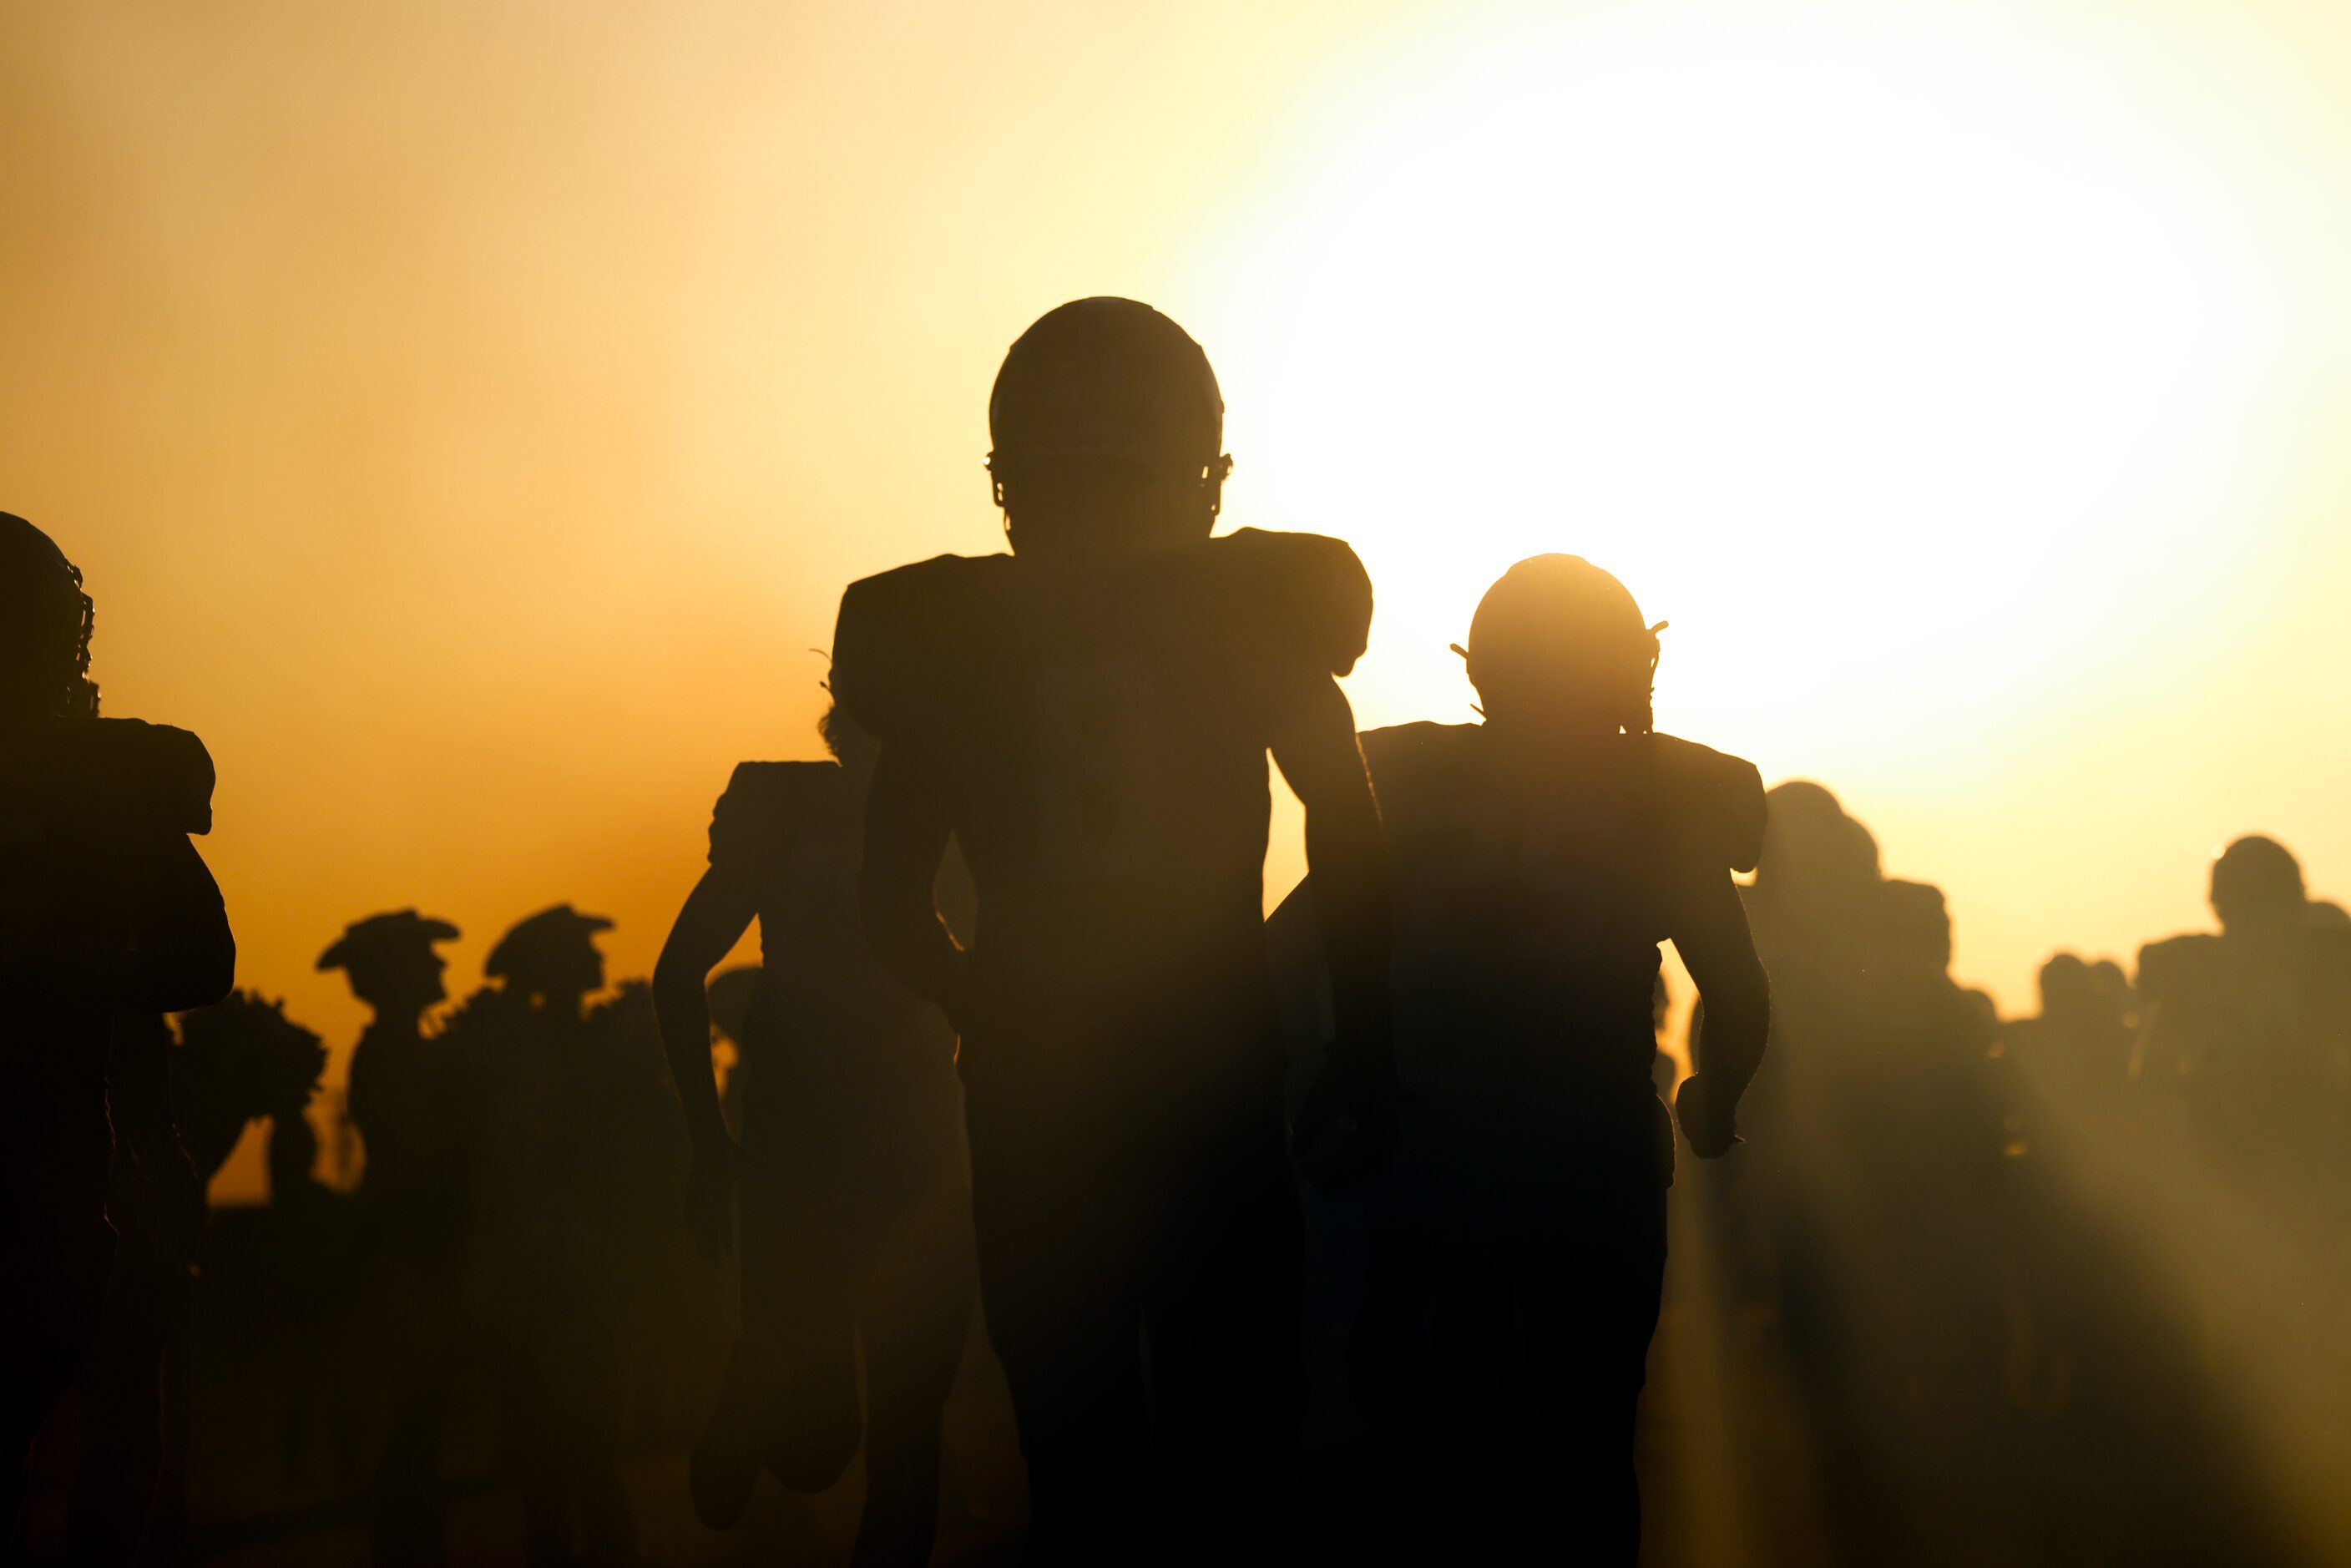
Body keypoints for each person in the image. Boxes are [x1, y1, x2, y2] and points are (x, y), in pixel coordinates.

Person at [832, 297, 1395, 1562]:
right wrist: (1364, 1031)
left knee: (1073, 1447)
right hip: (1211, 1066)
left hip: (1035, 1083)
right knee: (1233, 1445)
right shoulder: (1248, 614)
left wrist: (985, 1002)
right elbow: (1347, 826)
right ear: (1197, 468)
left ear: (1010, 474)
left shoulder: (956, 647)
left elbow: (889, 897)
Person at [1273, 554, 1768, 1564]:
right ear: (1627, 669)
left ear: (1482, 670)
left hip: (1427, 1141)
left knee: (1431, 1422)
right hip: (1587, 1150)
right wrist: (1715, 1097)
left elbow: (1290, 950)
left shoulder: (1399, 784)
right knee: (1590, 1438)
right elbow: (1740, 987)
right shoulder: (1663, 795)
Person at [653, 699, 977, 1566]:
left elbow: (678, 970)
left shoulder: (797, 820)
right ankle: (760, 1385)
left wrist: (709, 1140)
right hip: (881, 1132)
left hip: (821, 1133)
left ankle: (758, 1379)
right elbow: (678, 971)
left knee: (862, 1435)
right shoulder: (941, 816)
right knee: (866, 1439)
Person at [0, 513, 235, 1539]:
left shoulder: (98, 781)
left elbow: (195, 962)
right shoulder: (98, 779)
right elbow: (197, 962)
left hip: (52, 1164)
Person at [453, 903, 642, 1567]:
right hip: (553, 1264)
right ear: (554, 967)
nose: (598, 957)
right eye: (582, 948)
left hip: (558, 1260)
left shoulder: (562, 1043)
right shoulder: (557, 1051)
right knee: (569, 1431)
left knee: (568, 1433)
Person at [318, 909, 468, 1564]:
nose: (439, 968)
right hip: (414, 1243)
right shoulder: (397, 1055)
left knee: (423, 1416)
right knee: (415, 1413)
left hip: (413, 1239)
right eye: (425, 960)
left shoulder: (400, 1049)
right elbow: (423, 1158)